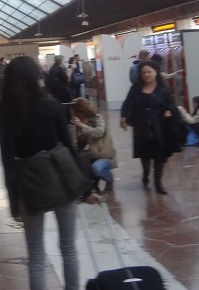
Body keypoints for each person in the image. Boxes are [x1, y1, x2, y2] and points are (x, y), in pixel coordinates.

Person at [0, 56, 94, 290]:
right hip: (61, 181)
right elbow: (69, 146)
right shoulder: (51, 105)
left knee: (36, 257)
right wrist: (85, 186)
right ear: (34, 77)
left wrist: (13, 200)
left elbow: (7, 160)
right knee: (68, 249)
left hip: (30, 187)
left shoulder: (6, 113)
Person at [120, 60, 178, 194]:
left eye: (149, 72)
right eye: (143, 73)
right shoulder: (136, 88)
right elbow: (127, 103)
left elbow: (171, 104)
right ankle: (145, 175)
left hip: (159, 126)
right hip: (141, 126)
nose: (146, 75)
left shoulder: (163, 89)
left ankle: (158, 183)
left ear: (156, 72)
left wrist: (169, 110)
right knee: (144, 155)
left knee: (159, 156)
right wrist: (123, 116)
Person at [71, 97, 116, 193]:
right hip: (93, 155)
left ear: (81, 111)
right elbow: (83, 142)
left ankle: (110, 179)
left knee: (96, 168)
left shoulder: (97, 118)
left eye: (75, 113)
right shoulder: (83, 122)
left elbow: (99, 132)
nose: (74, 116)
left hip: (104, 155)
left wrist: (82, 126)